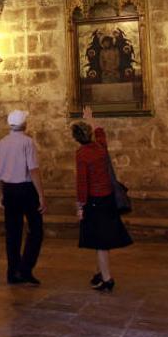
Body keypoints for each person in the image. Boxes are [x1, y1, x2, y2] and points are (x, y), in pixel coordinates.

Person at [71, 106, 131, 293]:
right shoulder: (101, 147)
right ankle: (99, 273)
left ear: (76, 138)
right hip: (108, 199)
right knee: (102, 240)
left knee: (100, 243)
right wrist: (90, 117)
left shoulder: (82, 154)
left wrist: (80, 206)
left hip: (94, 202)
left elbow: (82, 183)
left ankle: (107, 280)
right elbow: (99, 131)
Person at [0, 110, 46, 286]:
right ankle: (25, 269)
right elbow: (33, 169)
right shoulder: (27, 142)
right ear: (25, 124)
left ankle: (12, 272)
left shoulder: (1, 143)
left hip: (9, 190)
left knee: (13, 232)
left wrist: (1, 193)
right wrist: (40, 194)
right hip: (26, 189)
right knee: (36, 230)